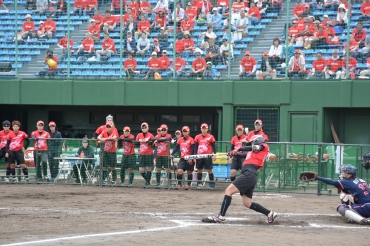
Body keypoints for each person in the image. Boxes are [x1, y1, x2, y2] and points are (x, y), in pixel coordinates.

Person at [202, 135, 277, 224]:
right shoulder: (252, 153)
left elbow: (255, 147)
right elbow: (242, 155)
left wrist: (238, 148)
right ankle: (269, 213)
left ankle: (221, 216)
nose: (251, 143)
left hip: (249, 173)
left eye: (252, 142)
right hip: (250, 175)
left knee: (228, 191)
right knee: (247, 203)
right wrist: (234, 153)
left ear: (257, 141)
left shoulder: (263, 146)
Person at [171, 126, 195, 190]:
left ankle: (188, 185)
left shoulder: (191, 139)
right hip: (182, 158)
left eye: (186, 131)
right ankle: (179, 184)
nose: (185, 133)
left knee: (189, 172)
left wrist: (191, 157)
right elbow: (176, 147)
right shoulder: (180, 139)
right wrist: (172, 154)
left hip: (189, 158)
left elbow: (193, 149)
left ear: (188, 132)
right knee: (179, 171)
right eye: (183, 131)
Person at [194, 123, 216, 190]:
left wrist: (214, 154)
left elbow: (214, 146)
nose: (204, 130)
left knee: (209, 170)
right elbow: (195, 147)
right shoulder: (197, 137)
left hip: (207, 156)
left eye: (205, 128)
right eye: (202, 128)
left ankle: (211, 185)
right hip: (199, 155)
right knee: (199, 170)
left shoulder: (211, 137)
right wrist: (195, 155)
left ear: (207, 129)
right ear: (201, 129)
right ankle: (199, 184)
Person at [136, 122, 155, 188]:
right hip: (142, 154)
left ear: (148, 127)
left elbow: (154, 142)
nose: (144, 129)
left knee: (148, 168)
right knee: (141, 170)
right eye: (143, 127)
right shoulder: (139, 134)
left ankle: (147, 183)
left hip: (149, 154)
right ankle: (148, 180)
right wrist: (141, 140)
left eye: (145, 127)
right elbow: (137, 141)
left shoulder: (151, 135)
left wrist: (148, 141)